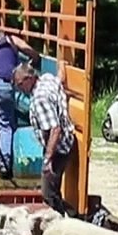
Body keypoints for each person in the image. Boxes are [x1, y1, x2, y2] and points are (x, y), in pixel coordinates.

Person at [14, 63, 81, 218]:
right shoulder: (47, 79)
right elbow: (61, 79)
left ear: (29, 79)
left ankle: (63, 221)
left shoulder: (39, 99)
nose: (19, 88)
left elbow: (55, 129)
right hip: (66, 142)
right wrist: (63, 65)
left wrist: (47, 159)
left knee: (48, 194)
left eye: (19, 84)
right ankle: (68, 216)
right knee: (53, 189)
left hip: (58, 149)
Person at [0, 29, 39, 179]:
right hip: (4, 84)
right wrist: (33, 60)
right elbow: (29, 50)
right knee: (5, 125)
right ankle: (5, 164)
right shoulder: (11, 40)